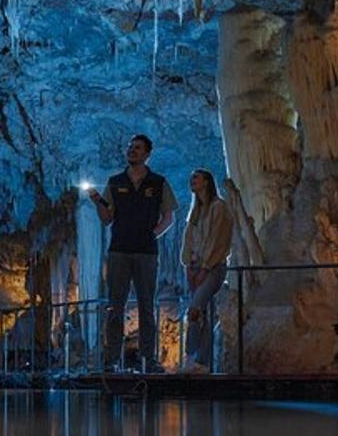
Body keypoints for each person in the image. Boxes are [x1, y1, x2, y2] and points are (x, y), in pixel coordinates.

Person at [87, 134, 177, 373]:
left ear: (148, 153)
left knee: (147, 306)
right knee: (115, 307)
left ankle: (148, 359)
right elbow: (107, 219)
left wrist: (152, 234)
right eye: (130, 147)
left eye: (137, 148)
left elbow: (169, 216)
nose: (131, 151)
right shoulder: (115, 182)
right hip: (119, 250)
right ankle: (112, 360)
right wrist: (97, 201)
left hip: (146, 252)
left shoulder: (158, 183)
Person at [180, 169, 232, 373]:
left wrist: (205, 267)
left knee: (194, 311)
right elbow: (189, 240)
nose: (192, 180)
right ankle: (203, 363)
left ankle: (194, 357)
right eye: (191, 177)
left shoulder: (219, 208)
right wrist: (187, 265)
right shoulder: (196, 211)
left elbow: (219, 239)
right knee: (205, 314)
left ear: (207, 182)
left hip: (213, 268)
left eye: (196, 177)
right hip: (195, 268)